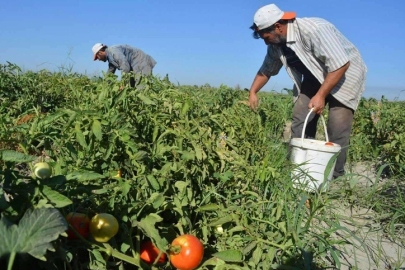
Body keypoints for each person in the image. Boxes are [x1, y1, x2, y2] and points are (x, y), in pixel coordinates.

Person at [248, 4, 367, 178]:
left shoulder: (314, 29)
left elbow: (341, 64)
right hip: (315, 76)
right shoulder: (276, 45)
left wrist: (321, 95)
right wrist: (253, 92)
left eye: (266, 37)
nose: (266, 42)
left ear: (278, 27)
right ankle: (298, 167)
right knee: (301, 116)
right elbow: (266, 69)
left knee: (337, 125)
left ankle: (334, 176)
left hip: (344, 76)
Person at [92, 43, 157, 87]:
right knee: (131, 87)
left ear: (100, 53)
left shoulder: (114, 52)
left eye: (97, 57)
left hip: (141, 63)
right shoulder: (110, 56)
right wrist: (105, 85)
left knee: (140, 87)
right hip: (134, 66)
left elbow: (125, 67)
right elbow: (110, 72)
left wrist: (123, 84)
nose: (99, 59)